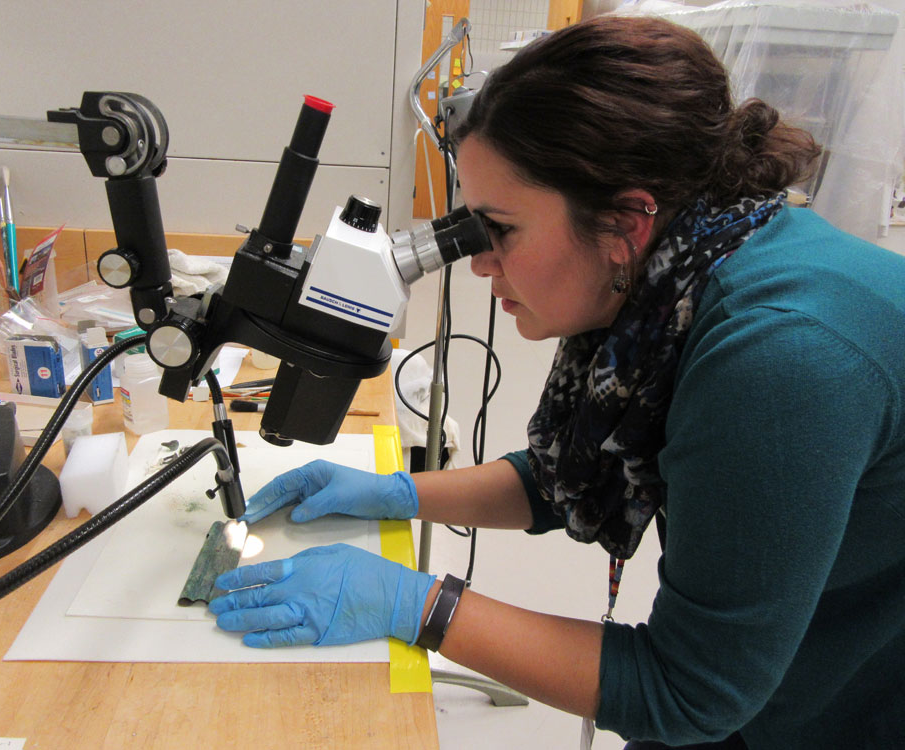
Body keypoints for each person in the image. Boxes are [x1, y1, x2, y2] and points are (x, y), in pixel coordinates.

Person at [208, 15, 905, 749]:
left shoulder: (780, 359)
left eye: (499, 228)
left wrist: (415, 604)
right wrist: (401, 494)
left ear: (624, 222)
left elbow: (689, 690)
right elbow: (568, 475)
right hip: (771, 669)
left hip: (848, 706)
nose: (480, 263)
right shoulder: (684, 270)